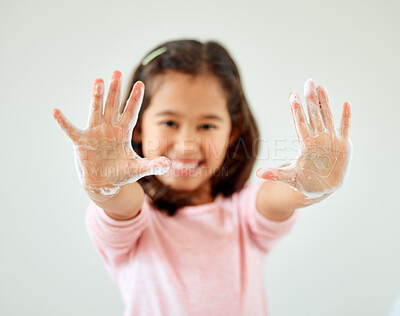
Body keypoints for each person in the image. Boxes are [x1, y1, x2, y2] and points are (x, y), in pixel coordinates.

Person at [52, 39, 352, 316]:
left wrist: (312, 188)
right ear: (139, 128)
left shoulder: (241, 212)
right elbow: (121, 202)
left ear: (232, 132)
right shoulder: (137, 216)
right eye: (169, 122)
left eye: (207, 126)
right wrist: (106, 187)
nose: (186, 144)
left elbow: (276, 198)